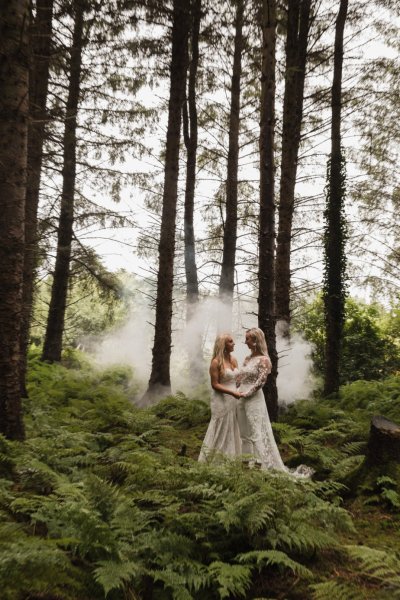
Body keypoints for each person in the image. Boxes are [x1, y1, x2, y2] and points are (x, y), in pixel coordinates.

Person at [237, 327, 313, 477]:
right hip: (240, 398)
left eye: (248, 339)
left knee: (255, 432)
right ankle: (246, 464)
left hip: (253, 399)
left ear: (256, 341)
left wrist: (248, 393)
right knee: (244, 433)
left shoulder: (264, 360)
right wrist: (234, 387)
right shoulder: (247, 359)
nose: (245, 342)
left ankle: (259, 465)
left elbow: (261, 381)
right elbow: (240, 378)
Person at [198, 333, 243, 463]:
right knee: (221, 426)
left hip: (234, 399)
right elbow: (215, 384)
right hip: (221, 399)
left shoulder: (234, 360)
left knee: (232, 427)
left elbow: (236, 380)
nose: (233, 343)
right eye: (230, 342)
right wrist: (232, 392)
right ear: (223, 345)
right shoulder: (215, 362)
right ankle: (215, 459)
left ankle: (231, 458)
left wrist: (241, 384)